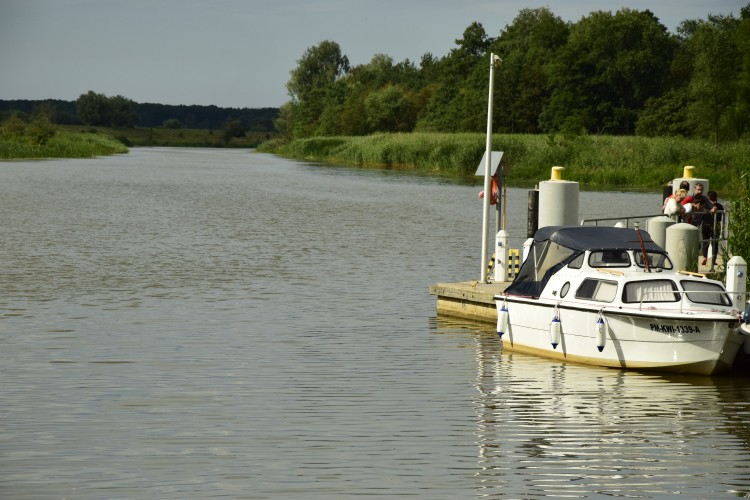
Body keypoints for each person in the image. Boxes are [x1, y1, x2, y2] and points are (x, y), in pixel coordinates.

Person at [704, 190, 724, 267]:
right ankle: (713, 261)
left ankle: (705, 257)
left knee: (705, 242)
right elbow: (720, 218)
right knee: (715, 243)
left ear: (708, 197)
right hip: (716, 226)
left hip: (706, 225)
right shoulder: (720, 206)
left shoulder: (705, 205)